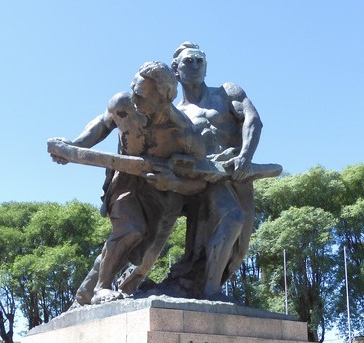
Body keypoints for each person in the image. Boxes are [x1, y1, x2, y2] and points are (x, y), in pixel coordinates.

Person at [50, 62, 207, 305]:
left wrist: (173, 182)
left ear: (163, 98)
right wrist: (75, 147)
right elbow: (104, 123)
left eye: (141, 95)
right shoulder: (123, 103)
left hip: (161, 193)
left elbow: (200, 184)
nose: (134, 97)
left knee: (135, 248)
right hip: (124, 181)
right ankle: (101, 289)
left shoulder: (184, 133)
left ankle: (83, 294)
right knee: (130, 230)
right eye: (133, 89)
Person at [168, 42, 264, 299]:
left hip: (238, 174)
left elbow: (253, 120)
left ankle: (206, 285)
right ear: (175, 70)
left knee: (239, 249)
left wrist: (245, 156)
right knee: (233, 219)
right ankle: (211, 291)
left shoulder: (226, 92)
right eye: (189, 61)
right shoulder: (175, 113)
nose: (195, 65)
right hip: (204, 180)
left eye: (200, 61)